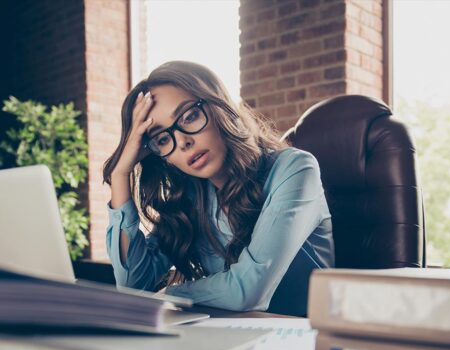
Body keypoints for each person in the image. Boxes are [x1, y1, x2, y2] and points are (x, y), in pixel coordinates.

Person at [103, 61, 334, 316]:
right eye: (162, 138)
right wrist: (120, 174)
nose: (182, 142)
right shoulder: (192, 198)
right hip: (234, 337)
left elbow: (247, 290)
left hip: (307, 341)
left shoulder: (296, 169)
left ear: (218, 106)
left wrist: (172, 293)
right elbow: (134, 285)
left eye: (189, 116)